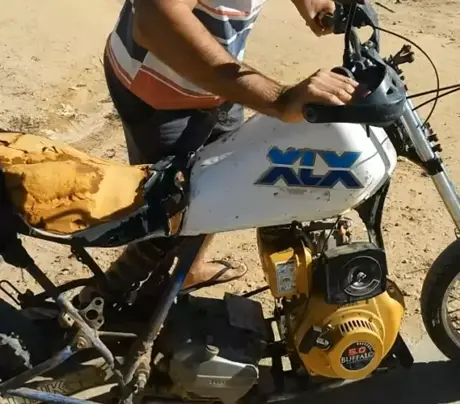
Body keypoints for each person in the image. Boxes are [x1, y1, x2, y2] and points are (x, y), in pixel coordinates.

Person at [96, 0, 359, 298]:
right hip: (161, 87)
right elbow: (155, 21)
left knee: (220, 182)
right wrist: (279, 98)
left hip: (220, 79)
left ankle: (190, 269)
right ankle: (108, 303)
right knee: (167, 212)